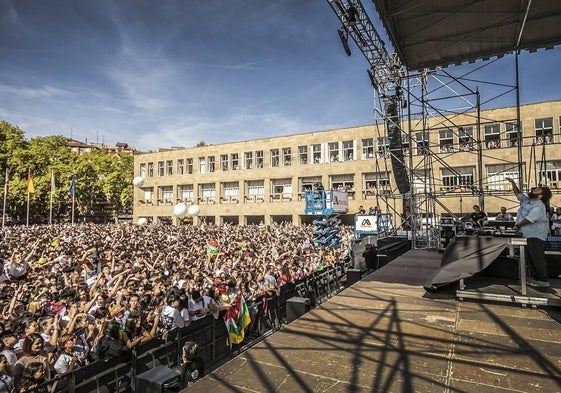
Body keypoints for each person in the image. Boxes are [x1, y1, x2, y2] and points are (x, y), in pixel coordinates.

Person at [506, 178, 552, 287]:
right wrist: (513, 183)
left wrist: (516, 226)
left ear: (540, 196)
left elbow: (528, 219)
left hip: (535, 236)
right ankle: (537, 279)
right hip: (527, 235)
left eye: (537, 190)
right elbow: (518, 194)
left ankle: (544, 280)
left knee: (537, 258)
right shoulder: (527, 201)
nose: (534, 189)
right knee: (530, 259)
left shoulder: (539, 207)